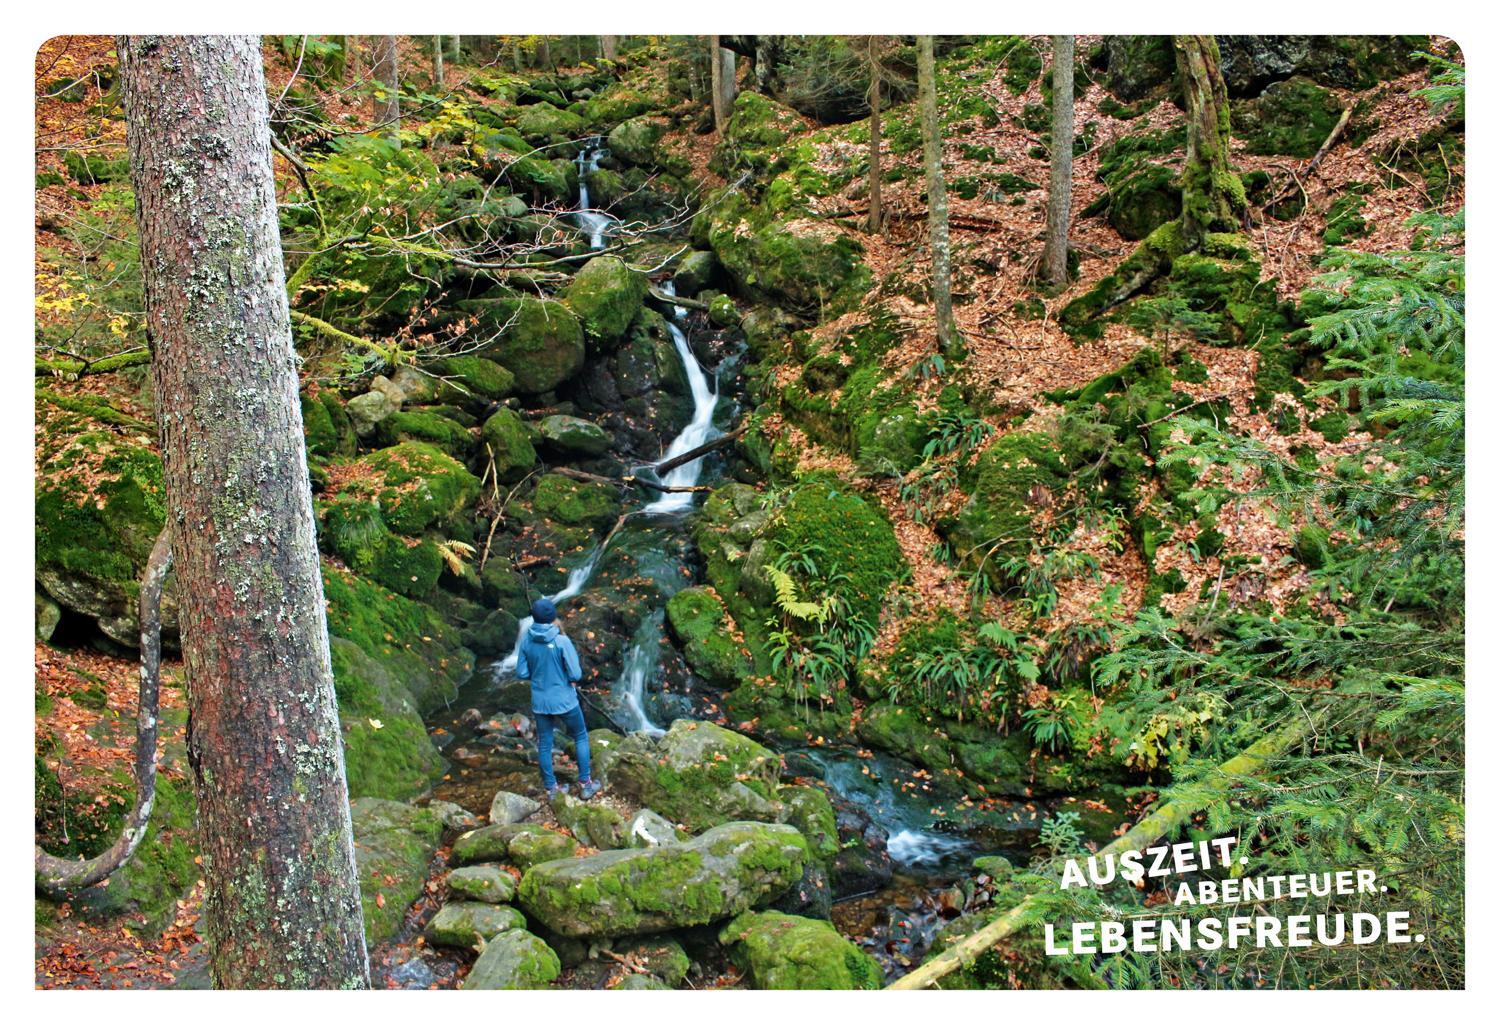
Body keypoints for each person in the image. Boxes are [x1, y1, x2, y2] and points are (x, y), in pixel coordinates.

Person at [516, 598, 601, 800]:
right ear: (553, 617)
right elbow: (575, 674)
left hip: (541, 702)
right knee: (580, 736)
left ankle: (552, 789)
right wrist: (566, 679)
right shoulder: (562, 641)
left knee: (544, 743)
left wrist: (537, 676)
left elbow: (521, 672)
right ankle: (585, 784)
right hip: (565, 701)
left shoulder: (527, 640)